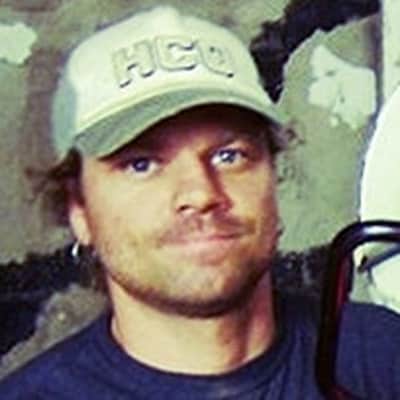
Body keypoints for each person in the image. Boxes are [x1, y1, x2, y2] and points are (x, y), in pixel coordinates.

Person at [0, 5, 399, 399]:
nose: (201, 194)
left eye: (229, 156)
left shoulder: (381, 357)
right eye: (141, 164)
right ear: (78, 208)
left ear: (273, 176)